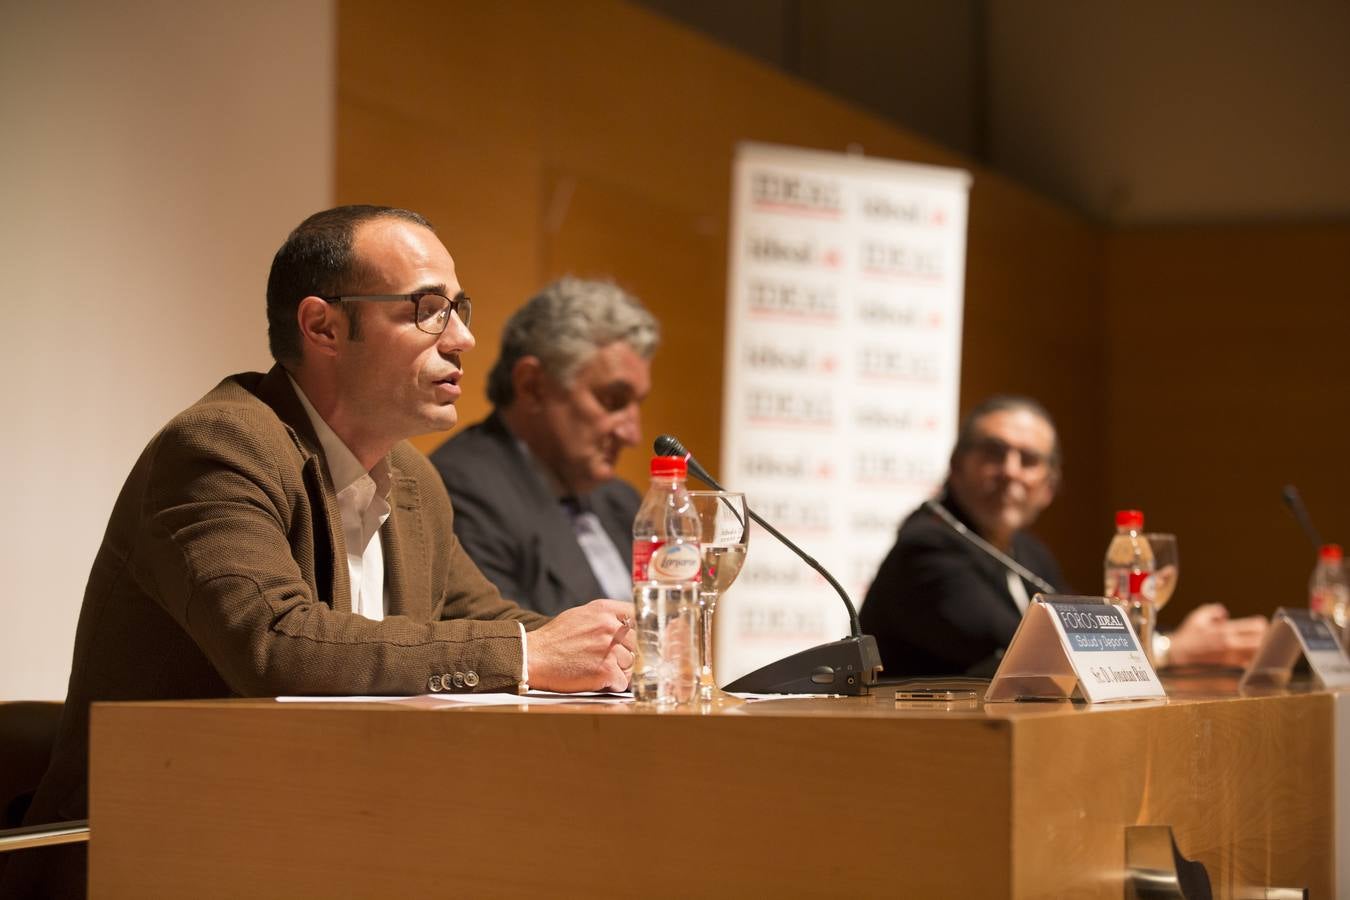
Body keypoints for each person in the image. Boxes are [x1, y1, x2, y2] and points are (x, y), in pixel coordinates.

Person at [1, 206, 636, 900]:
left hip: (321, 844)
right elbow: (276, 645)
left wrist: (621, 649)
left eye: (460, 308)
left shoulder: (414, 484)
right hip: (152, 857)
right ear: (323, 326)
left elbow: (486, 617)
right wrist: (527, 657)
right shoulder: (219, 447)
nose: (463, 337)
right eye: (428, 310)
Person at [860, 395, 1267, 679]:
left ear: (1050, 487)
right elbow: (1032, 649)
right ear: (956, 465)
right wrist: (1168, 650)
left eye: (1029, 460)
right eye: (993, 452)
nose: (1011, 470)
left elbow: (1078, 632)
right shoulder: (927, 549)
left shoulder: (1028, 553)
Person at [430, 278, 657, 614]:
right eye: (613, 400)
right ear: (532, 386)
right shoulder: (460, 491)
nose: (632, 435)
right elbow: (512, 646)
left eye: (636, 404)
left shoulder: (621, 502)